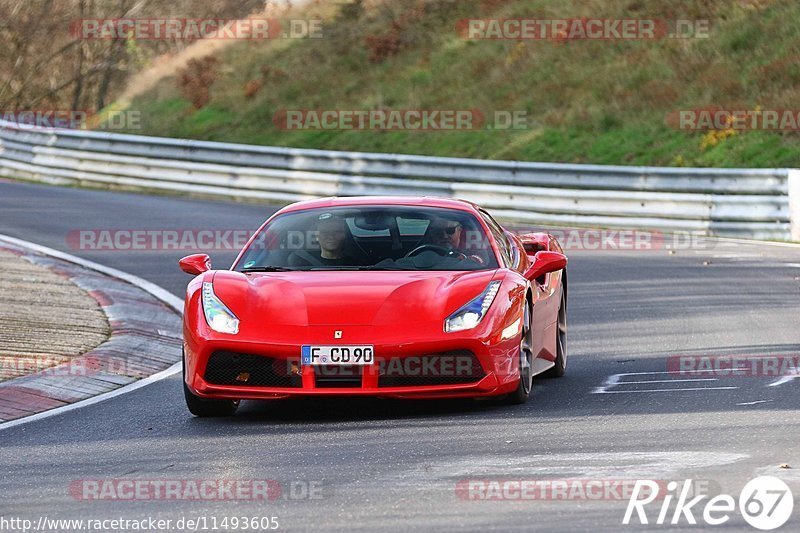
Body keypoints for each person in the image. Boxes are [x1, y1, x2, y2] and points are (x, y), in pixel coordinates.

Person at [288, 213, 358, 267]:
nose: (331, 236)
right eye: (325, 232)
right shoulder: (301, 263)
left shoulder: (356, 265)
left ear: (344, 235)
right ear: (316, 236)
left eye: (337, 231)